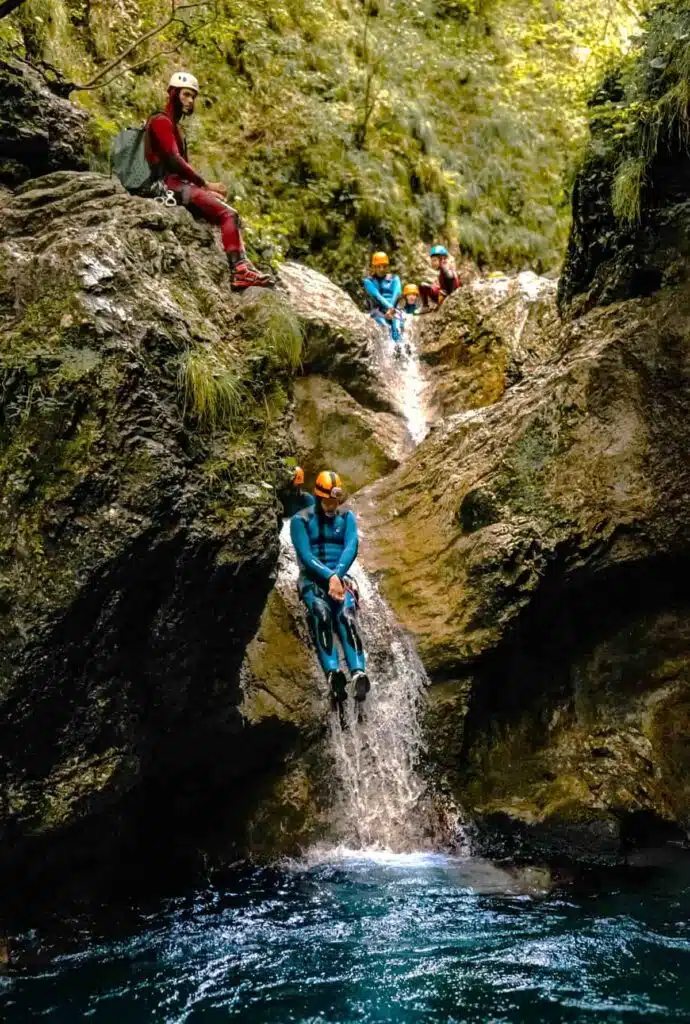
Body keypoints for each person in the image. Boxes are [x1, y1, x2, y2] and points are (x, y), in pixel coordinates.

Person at [145, 71, 272, 291]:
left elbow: (182, 168)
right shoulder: (160, 122)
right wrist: (205, 185)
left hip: (175, 187)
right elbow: (174, 162)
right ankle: (240, 271)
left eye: (193, 97)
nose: (190, 100)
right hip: (166, 188)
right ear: (173, 93)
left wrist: (206, 189)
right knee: (228, 213)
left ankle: (242, 263)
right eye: (186, 95)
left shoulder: (176, 127)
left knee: (222, 205)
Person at [290, 470, 370, 721]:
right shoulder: (300, 520)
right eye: (327, 502)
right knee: (322, 613)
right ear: (317, 496)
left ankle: (358, 673)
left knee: (346, 614)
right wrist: (329, 577)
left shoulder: (346, 518)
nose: (332, 507)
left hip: (340, 579)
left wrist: (338, 575)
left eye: (335, 502)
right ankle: (333, 673)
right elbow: (305, 555)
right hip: (313, 582)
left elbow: (350, 547)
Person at [363, 252, 404, 347]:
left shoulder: (395, 279)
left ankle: (400, 346)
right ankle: (389, 348)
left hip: (394, 309)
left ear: (388, 266)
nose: (381, 269)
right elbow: (377, 296)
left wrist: (392, 309)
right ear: (373, 267)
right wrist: (390, 308)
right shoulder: (368, 281)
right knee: (384, 327)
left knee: (398, 326)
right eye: (378, 266)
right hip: (378, 310)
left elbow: (397, 294)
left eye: (384, 266)